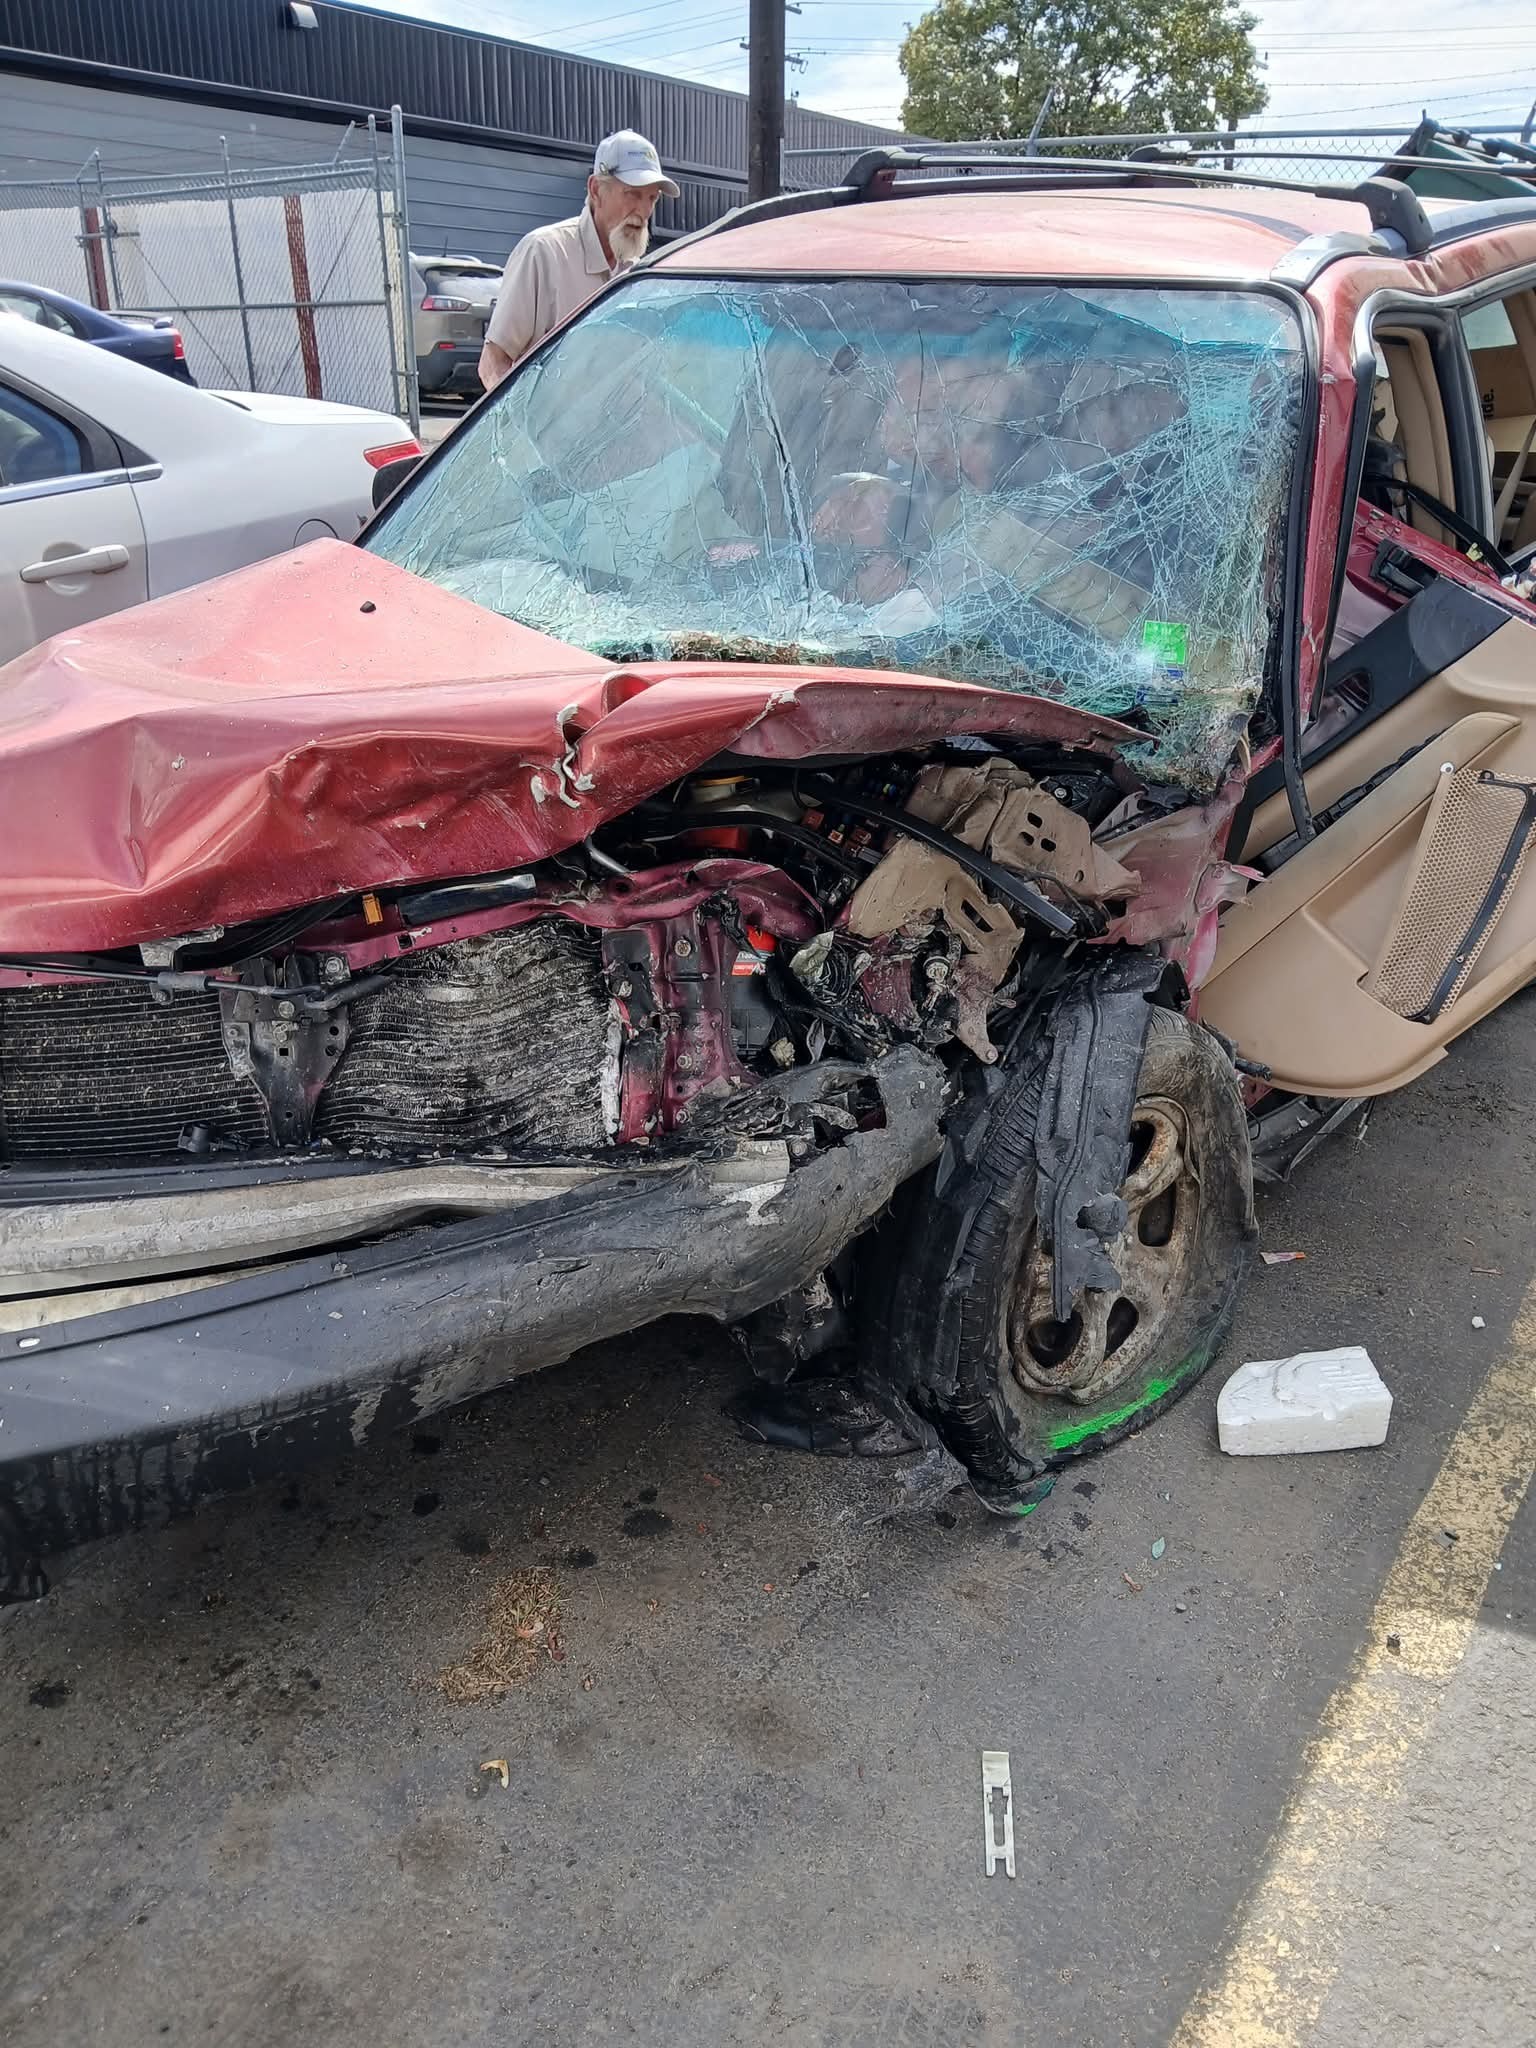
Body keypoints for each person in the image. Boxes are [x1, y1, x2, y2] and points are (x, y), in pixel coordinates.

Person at [478, 130, 679, 390]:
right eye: (633, 194)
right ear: (596, 190)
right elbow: (492, 363)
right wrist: (520, 416)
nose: (644, 211)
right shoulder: (544, 253)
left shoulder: (635, 271)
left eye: (652, 198)